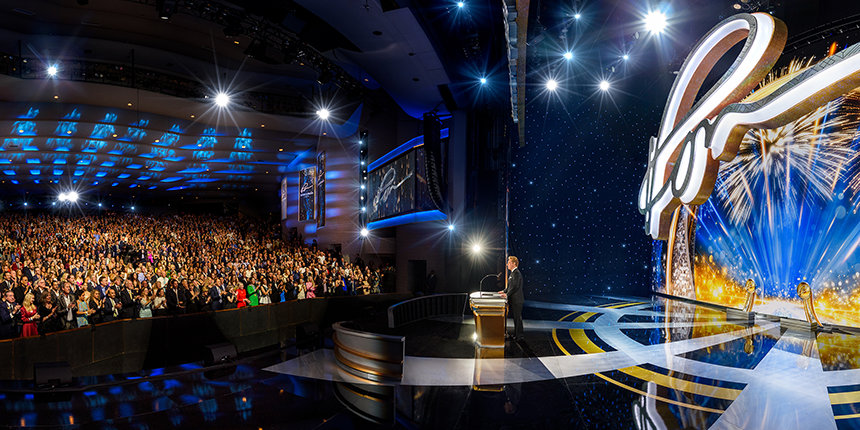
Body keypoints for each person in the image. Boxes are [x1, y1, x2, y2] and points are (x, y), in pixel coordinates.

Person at [499, 256, 524, 341]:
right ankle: (516, 335)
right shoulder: (512, 273)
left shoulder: (517, 273)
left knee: (517, 318)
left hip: (517, 300)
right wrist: (503, 291)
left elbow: (515, 287)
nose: (507, 264)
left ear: (514, 263)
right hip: (513, 300)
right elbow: (510, 287)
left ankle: (520, 336)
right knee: (515, 318)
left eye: (509, 262)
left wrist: (506, 295)